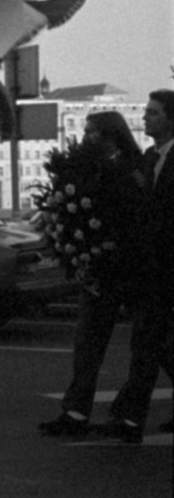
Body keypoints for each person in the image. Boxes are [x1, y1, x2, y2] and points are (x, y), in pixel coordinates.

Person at [37, 111, 147, 437]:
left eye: (92, 132)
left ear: (111, 135)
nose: (85, 137)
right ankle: (75, 412)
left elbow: (133, 216)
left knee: (151, 345)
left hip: (128, 269)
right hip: (98, 271)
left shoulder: (132, 168)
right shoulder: (86, 169)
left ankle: (118, 414)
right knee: (88, 343)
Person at [104, 90, 174, 443]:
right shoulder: (149, 159)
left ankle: (128, 417)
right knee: (150, 343)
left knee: (151, 343)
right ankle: (128, 417)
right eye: (146, 112)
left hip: (167, 268)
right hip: (151, 270)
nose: (145, 118)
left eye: (154, 113)